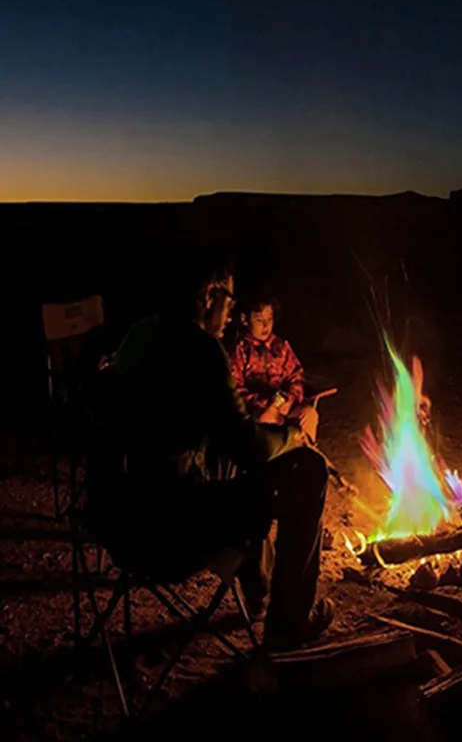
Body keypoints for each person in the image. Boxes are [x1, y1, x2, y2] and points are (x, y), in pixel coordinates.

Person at [86, 252, 333, 649]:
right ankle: (287, 627)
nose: (233, 310)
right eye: (229, 300)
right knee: (308, 469)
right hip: (170, 531)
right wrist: (292, 436)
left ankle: (258, 587)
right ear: (207, 296)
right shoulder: (202, 352)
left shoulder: (140, 334)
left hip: (117, 519)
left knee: (230, 464)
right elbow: (250, 447)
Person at [230, 295, 319, 442]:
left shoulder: (281, 346)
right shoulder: (240, 350)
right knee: (268, 421)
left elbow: (296, 376)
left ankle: (307, 455)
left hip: (285, 407)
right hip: (258, 412)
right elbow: (235, 388)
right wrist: (265, 404)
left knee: (309, 414)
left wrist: (290, 399)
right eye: (259, 320)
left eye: (269, 319)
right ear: (245, 320)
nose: (265, 326)